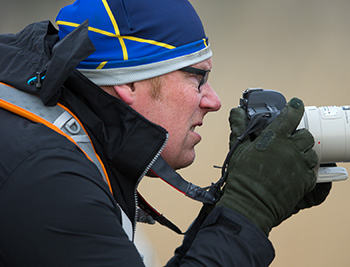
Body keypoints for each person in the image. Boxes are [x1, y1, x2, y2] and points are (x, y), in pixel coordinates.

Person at [0, 0, 331, 266]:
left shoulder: (49, 138)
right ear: (128, 81)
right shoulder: (48, 175)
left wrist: (232, 205)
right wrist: (251, 205)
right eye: (197, 78)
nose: (214, 101)